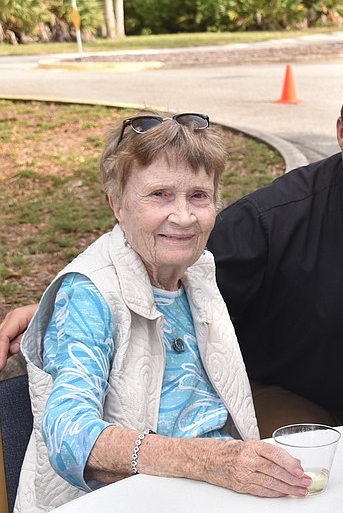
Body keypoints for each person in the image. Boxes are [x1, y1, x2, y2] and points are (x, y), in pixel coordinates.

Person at [0, 56, 343, 439]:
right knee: (306, 480)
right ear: (340, 131)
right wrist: (57, 298)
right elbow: (167, 253)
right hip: (284, 396)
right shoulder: (274, 218)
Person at [14, 113, 312, 513]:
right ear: (116, 204)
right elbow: (70, 437)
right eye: (159, 194)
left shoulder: (198, 270)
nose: (184, 217)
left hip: (218, 492)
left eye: (198, 196)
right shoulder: (87, 295)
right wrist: (208, 461)